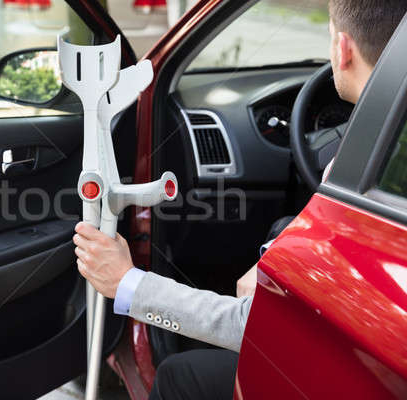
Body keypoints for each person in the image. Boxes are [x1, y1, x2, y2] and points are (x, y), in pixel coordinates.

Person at [73, 1, 407, 399]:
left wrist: (128, 282)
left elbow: (253, 326)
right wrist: (274, 259)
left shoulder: (368, 169)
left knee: (181, 375)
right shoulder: (386, 152)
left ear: (342, 49)